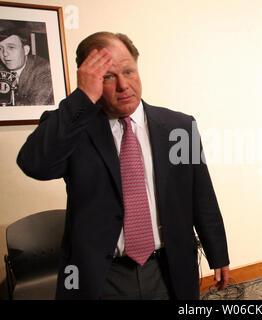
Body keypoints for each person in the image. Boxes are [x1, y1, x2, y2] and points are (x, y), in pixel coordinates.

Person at [17, 32, 230, 300]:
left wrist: (218, 252)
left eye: (129, 71)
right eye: (108, 76)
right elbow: (35, 164)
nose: (123, 86)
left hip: (168, 269)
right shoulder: (75, 128)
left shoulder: (179, 127)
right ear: (89, 80)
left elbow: (201, 195)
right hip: (101, 276)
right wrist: (81, 98)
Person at [0, 28, 54, 106]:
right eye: (0, 49)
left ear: (26, 50)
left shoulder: (45, 70)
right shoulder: (1, 69)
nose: (4, 54)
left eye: (11, 47)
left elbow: (35, 106)